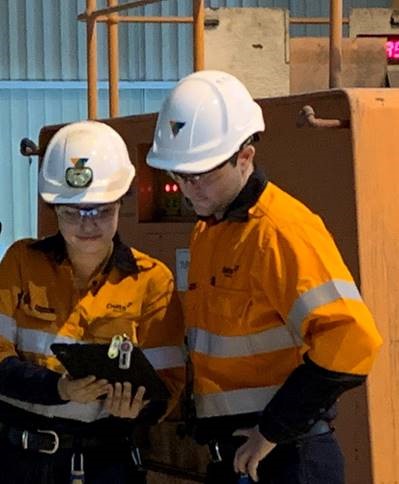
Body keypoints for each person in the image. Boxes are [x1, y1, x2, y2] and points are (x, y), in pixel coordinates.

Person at [146, 70, 383, 484]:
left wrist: (274, 429)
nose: (189, 188)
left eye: (202, 173)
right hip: (242, 457)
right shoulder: (209, 230)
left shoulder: (281, 231)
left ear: (245, 157)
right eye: (179, 175)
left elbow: (352, 341)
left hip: (289, 458)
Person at [0, 120, 185, 484]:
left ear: (120, 204)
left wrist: (138, 409)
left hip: (107, 464)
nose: (88, 224)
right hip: (20, 461)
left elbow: (169, 385)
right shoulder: (21, 263)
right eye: (73, 212)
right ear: (54, 208)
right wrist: (57, 389)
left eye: (102, 210)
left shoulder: (152, 280)